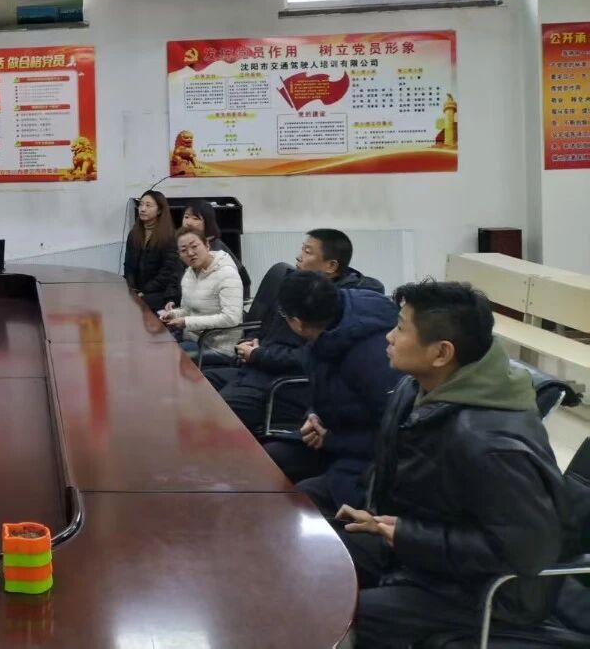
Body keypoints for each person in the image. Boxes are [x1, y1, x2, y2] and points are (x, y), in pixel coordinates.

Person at [335, 280, 565, 649]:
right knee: (323, 557)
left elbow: (526, 551)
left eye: (401, 329)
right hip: (429, 557)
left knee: (343, 613)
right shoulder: (417, 390)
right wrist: (379, 520)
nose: (388, 337)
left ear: (441, 353)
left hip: (488, 591)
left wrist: (407, 535)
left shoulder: (490, 444)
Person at [210, 228, 384, 434]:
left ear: (331, 266)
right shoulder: (295, 283)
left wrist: (258, 355)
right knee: (200, 384)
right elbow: (265, 324)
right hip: (257, 366)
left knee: (214, 414)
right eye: (302, 249)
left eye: (308, 252)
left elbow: (309, 357)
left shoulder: (331, 306)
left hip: (278, 381)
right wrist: (250, 341)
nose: (299, 256)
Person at [261, 270, 403, 513]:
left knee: (298, 504)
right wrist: (313, 414)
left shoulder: (373, 358)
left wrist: (331, 439)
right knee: (264, 461)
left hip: (364, 459)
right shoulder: (330, 322)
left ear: (297, 323)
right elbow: (327, 389)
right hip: (332, 437)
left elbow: (396, 436)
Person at [159, 229, 243, 342]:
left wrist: (186, 322)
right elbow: (189, 310)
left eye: (194, 246)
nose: (190, 253)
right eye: (183, 250)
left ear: (207, 245)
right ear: (179, 255)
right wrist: (174, 314)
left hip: (216, 344)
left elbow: (231, 318)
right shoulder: (189, 274)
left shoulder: (227, 273)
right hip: (191, 337)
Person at [122, 190, 183, 312]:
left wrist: (145, 291)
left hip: (160, 291)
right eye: (141, 204)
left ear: (159, 210)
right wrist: (133, 289)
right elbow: (128, 265)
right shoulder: (134, 234)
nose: (143, 209)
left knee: (139, 304)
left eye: (148, 205)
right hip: (138, 289)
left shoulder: (169, 237)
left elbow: (167, 272)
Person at [180, 199, 251, 297]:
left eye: (195, 219)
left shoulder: (215, 248)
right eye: (186, 217)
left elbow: (243, 280)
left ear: (207, 222)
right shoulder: (182, 242)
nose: (188, 222)